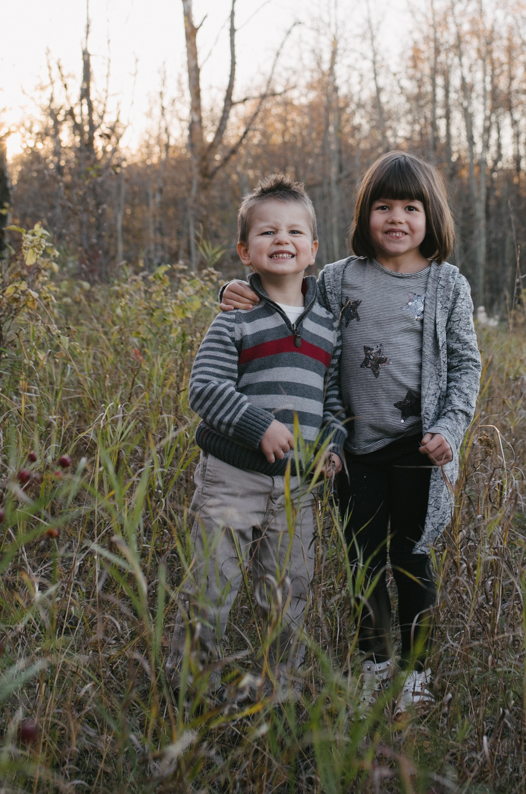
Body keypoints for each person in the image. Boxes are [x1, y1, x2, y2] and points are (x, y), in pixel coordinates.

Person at [220, 151, 482, 712]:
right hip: (351, 450)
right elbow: (280, 293)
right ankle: (375, 661)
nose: (396, 218)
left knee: (409, 557)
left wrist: (450, 428)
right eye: (383, 206)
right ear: (364, 215)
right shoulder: (337, 279)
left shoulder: (447, 285)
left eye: (411, 207)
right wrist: (234, 291)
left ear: (431, 217)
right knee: (363, 558)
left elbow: (465, 366)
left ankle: (414, 671)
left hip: (417, 446)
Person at [172, 175, 345, 695]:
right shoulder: (235, 320)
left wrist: (332, 447)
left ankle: (277, 690)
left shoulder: (327, 326)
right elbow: (203, 388)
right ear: (245, 251)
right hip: (232, 478)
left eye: (295, 232)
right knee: (211, 585)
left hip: (297, 490)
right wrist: (258, 425)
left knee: (288, 593)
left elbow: (333, 399)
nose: (282, 240)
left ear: (313, 251)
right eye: (268, 232)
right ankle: (190, 690)